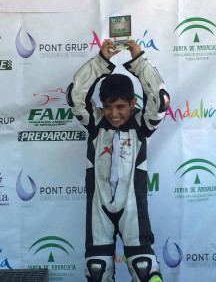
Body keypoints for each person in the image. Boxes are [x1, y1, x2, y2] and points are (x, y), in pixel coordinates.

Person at [66, 39, 170, 282]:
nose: (114, 113)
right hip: (98, 210)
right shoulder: (95, 123)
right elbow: (76, 96)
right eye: (109, 106)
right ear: (102, 106)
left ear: (134, 103)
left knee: (145, 269)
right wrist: (101, 63)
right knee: (97, 271)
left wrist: (139, 61)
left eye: (121, 106)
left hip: (133, 208)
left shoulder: (142, 124)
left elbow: (160, 98)